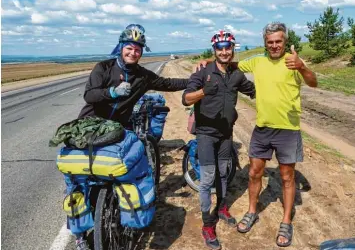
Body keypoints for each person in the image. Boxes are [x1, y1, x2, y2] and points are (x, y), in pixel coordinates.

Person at [196, 22, 318, 248]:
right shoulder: (257, 61)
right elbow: (229, 63)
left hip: (288, 129)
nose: (274, 46)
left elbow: (314, 82)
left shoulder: (294, 62)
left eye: (278, 41)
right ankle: (252, 211)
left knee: (287, 177)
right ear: (265, 43)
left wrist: (301, 66)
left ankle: (286, 221)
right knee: (253, 173)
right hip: (262, 128)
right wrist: (206, 64)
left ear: (285, 41)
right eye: (270, 42)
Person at [75, 24, 189, 250]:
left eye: (138, 49)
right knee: (84, 178)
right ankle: (81, 234)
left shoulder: (142, 76)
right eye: (129, 47)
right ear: (120, 47)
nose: (133, 52)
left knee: (128, 167)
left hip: (119, 128)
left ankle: (127, 210)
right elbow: (89, 94)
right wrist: (111, 92)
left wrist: (195, 80)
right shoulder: (104, 67)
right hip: (92, 125)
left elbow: (167, 84)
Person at [182, 30, 255, 250]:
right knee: (207, 179)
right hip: (205, 134)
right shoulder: (203, 71)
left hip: (226, 134)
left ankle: (221, 207)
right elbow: (186, 98)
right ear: (214, 50)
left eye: (228, 47)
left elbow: (254, 90)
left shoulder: (236, 74)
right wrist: (204, 91)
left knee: (223, 173)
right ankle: (207, 224)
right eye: (220, 48)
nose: (224, 51)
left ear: (233, 48)